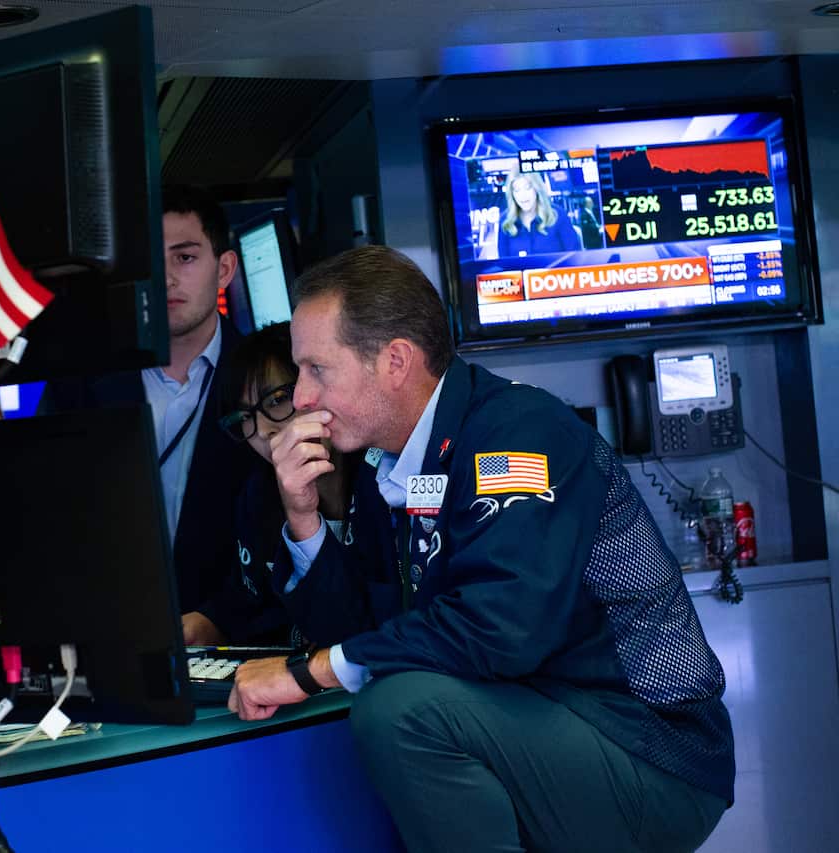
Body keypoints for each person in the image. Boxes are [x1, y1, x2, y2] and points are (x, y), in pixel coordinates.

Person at [228, 245, 733, 852]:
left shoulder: (514, 436)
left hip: (646, 747)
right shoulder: (382, 467)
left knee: (401, 710)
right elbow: (359, 635)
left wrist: (305, 675)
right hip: (536, 716)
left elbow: (501, 628)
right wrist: (304, 519)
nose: (301, 398)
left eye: (317, 370)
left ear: (394, 361)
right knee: (388, 696)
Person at [42, 186, 253, 620]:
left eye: (185, 257)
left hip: (232, 640)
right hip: (106, 625)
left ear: (225, 269)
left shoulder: (267, 380)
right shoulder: (77, 382)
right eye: (150, 262)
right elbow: (49, 511)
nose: (167, 278)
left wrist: (220, 616)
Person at [188, 322, 357, 646]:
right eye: (244, 418)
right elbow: (251, 601)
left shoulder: (385, 477)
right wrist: (210, 622)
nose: (263, 430)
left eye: (278, 400)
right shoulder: (258, 495)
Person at [496, 167, 582, 257]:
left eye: (528, 188)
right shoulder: (505, 221)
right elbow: (503, 264)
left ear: (537, 189)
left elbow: (575, 258)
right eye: (517, 190)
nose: (523, 195)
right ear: (512, 194)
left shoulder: (557, 215)